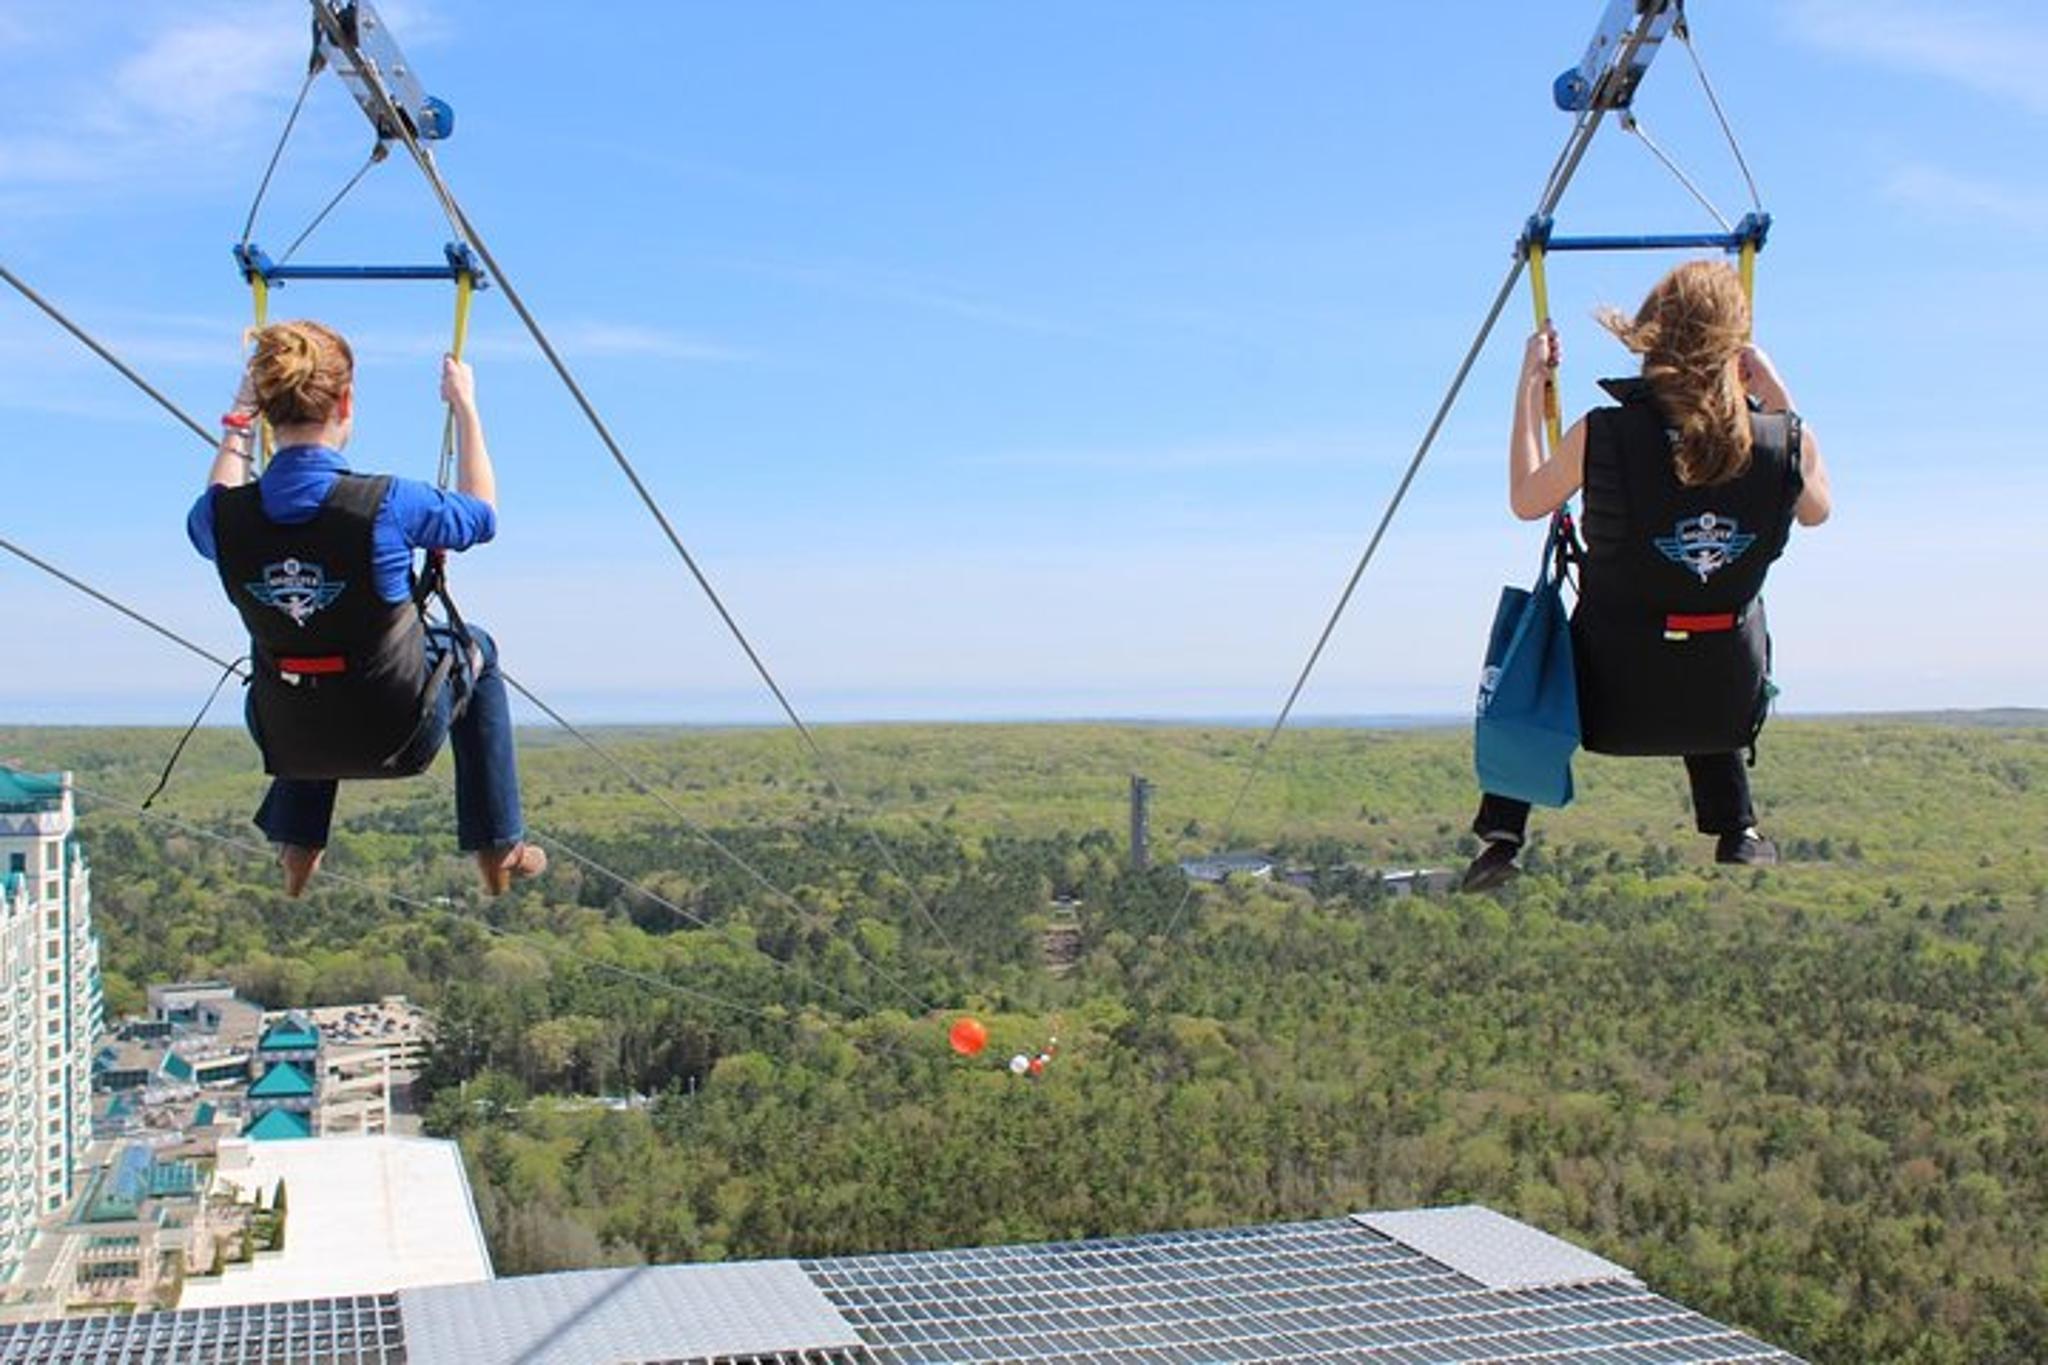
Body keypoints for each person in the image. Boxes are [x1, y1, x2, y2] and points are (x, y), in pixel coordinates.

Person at [1461, 260, 1831, 892]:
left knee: (1546, 643)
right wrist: (1773, 396)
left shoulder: (1605, 434)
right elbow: (1816, 507)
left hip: (1607, 698)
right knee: (1707, 612)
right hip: (1720, 701)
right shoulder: (1780, 443)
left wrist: (1529, 385)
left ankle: (1502, 832)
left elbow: (1527, 499)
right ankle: (1734, 825)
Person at [187, 320, 546, 898]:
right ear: (346, 402)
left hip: (286, 731)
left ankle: (298, 844)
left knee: (310, 655)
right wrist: (466, 408)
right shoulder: (385, 504)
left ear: (264, 411)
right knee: (477, 645)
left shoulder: (223, 520)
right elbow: (482, 513)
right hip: (399, 725)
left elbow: (217, 497)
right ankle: (498, 840)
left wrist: (237, 418)